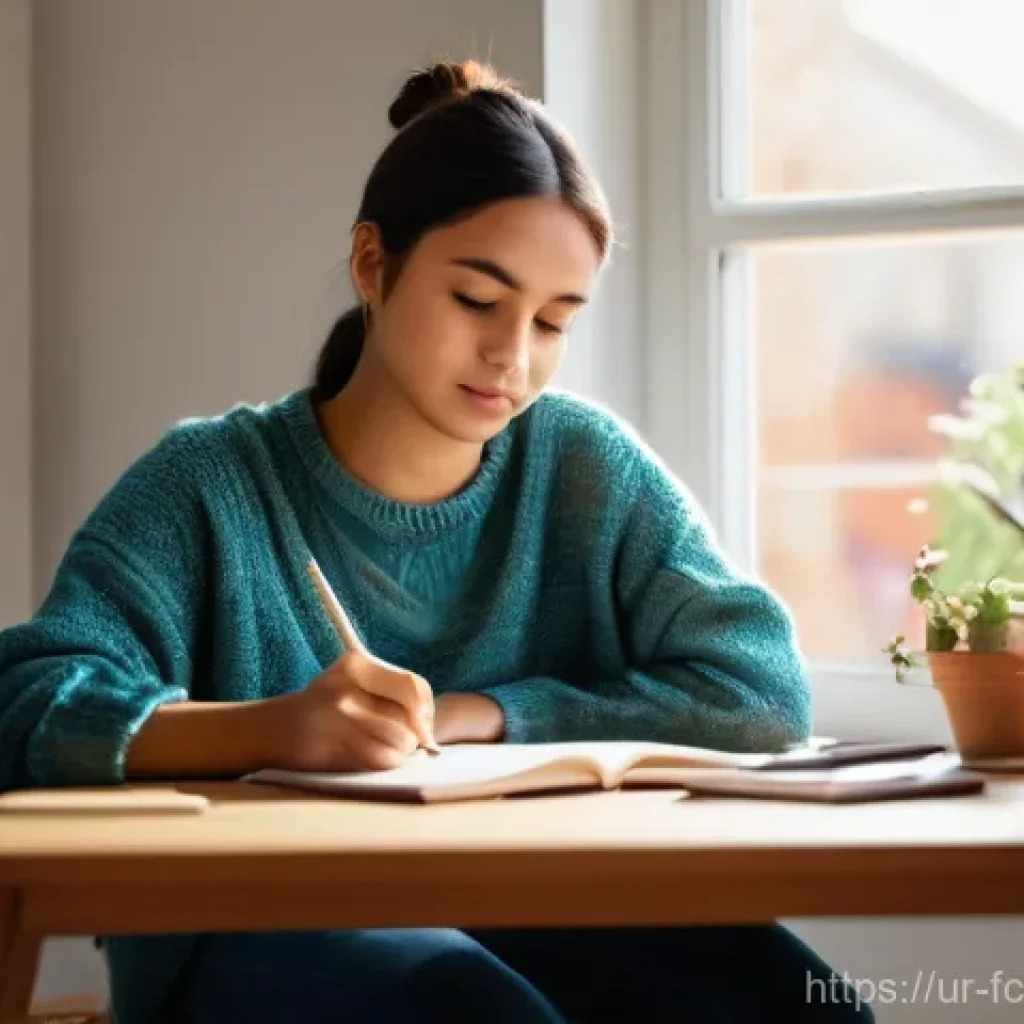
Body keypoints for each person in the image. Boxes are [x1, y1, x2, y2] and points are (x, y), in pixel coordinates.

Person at [0, 60, 873, 1024]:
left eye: (552, 321)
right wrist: (271, 729)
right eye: (477, 301)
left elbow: (759, 691)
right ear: (373, 265)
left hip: (541, 905)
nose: (513, 356)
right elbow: (26, 700)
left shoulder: (586, 466)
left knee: (807, 1008)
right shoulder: (210, 485)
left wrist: (486, 714)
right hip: (253, 927)